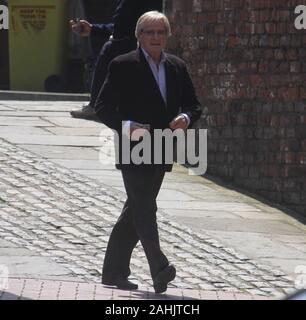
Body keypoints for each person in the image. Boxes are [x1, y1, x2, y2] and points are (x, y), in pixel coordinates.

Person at [95, 11, 202, 293]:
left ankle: (113, 272)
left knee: (135, 209)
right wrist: (127, 126)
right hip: (134, 148)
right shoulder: (122, 64)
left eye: (160, 33)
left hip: (163, 147)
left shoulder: (177, 66)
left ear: (167, 36)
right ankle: (160, 267)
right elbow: (102, 106)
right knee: (144, 208)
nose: (156, 38)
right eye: (150, 32)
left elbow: (194, 105)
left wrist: (187, 119)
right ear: (139, 36)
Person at [70, 0, 163, 120]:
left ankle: (97, 107)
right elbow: (119, 25)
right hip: (134, 41)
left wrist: (113, 36)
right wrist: (93, 29)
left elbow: (123, 25)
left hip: (134, 43)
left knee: (110, 50)